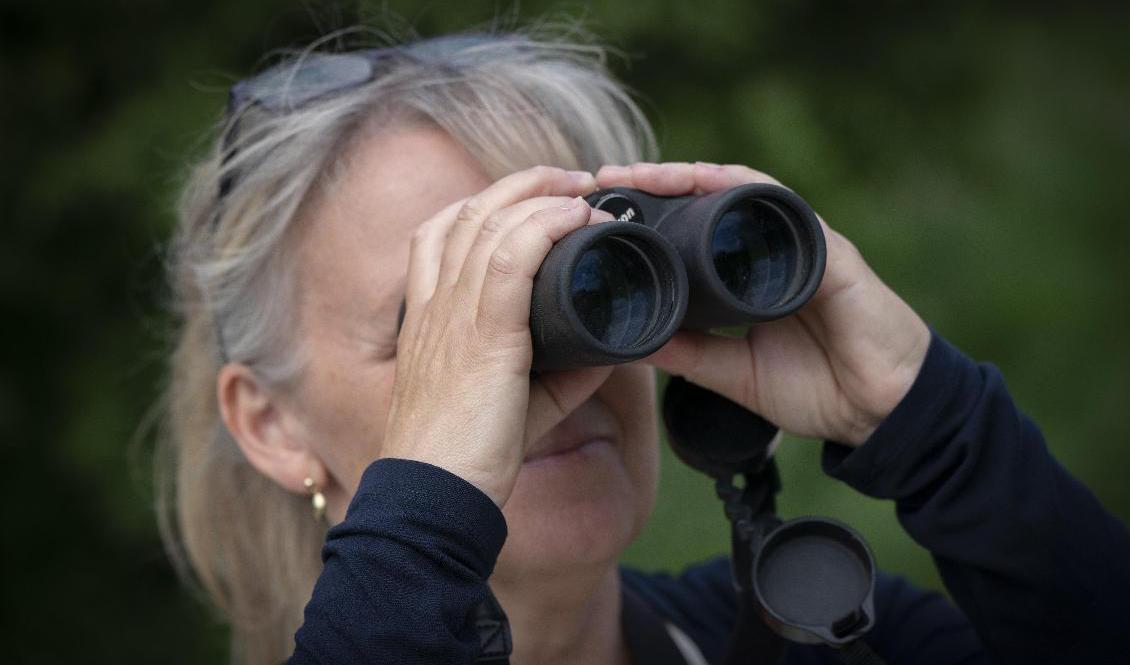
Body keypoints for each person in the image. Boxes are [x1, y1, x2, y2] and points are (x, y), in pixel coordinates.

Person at [158, 28, 1130, 665]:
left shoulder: (839, 640)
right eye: (448, 320)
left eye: (584, 278)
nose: (547, 373)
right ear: (271, 423)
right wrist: (431, 503)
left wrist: (932, 419)